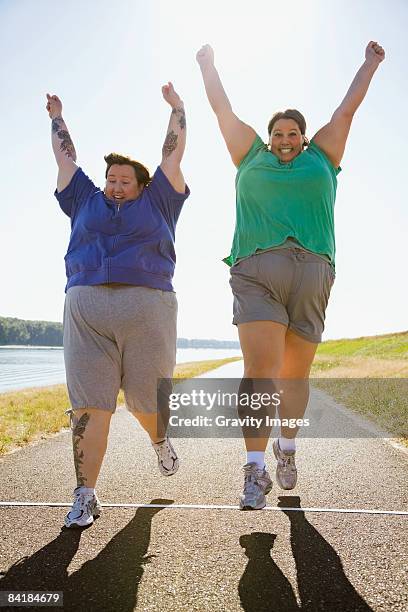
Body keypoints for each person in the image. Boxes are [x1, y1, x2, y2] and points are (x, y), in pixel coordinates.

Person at [196, 41, 385, 509]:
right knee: (260, 371)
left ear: (303, 137)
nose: (285, 139)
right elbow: (222, 111)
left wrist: (369, 64)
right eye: (278, 132)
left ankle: (288, 447)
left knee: (295, 378)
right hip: (256, 270)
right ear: (268, 136)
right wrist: (208, 66)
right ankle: (254, 468)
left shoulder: (322, 158)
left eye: (292, 133)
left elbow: (346, 111)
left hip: (313, 273)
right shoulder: (250, 157)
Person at [46, 83, 189, 527]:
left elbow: (172, 155)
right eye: (111, 179)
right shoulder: (84, 199)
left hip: (148, 309)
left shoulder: (160, 200)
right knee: (90, 405)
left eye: (125, 180)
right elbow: (65, 157)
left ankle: (159, 439)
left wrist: (178, 110)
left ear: (142, 185)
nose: (115, 185)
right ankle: (85, 494)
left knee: (146, 403)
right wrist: (57, 115)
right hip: (86, 308)